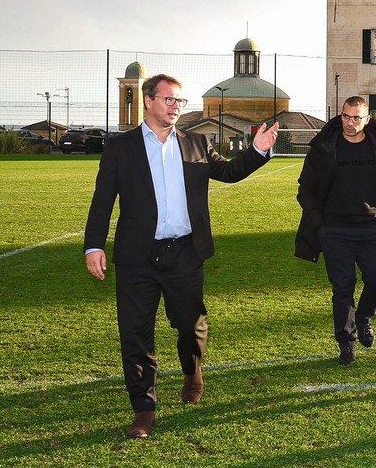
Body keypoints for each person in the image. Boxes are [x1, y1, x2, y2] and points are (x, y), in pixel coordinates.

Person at [83, 74, 279, 439]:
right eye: (168, 99)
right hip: (137, 257)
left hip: (185, 253)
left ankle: (192, 369)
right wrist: (94, 245)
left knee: (191, 325)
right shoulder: (120, 147)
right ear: (148, 101)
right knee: (135, 334)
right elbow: (103, 199)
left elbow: (230, 172)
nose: (175, 106)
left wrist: (257, 149)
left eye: (179, 101)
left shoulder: (196, 143)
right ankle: (144, 409)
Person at [294, 96, 376, 367]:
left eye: (356, 118)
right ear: (340, 116)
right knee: (343, 287)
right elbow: (305, 188)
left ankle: (364, 318)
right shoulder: (324, 147)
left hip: (373, 227)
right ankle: (346, 342)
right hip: (334, 229)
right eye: (346, 116)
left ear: (367, 119)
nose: (350, 122)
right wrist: (320, 222)